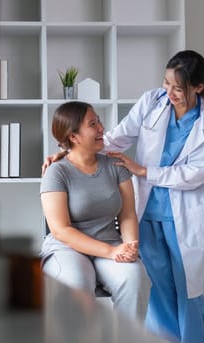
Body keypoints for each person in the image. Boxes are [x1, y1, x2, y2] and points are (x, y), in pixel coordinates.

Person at [44, 50, 204, 343]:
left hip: (183, 211)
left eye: (177, 88)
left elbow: (198, 172)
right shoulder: (152, 101)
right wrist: (67, 151)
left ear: (198, 88)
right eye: (165, 83)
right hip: (147, 210)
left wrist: (143, 170)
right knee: (159, 286)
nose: (168, 92)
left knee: (188, 289)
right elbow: (115, 139)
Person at [39, 101, 151, 322]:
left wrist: (129, 246)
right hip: (67, 249)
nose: (102, 128)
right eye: (93, 124)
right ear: (74, 137)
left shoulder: (115, 165)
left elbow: (127, 214)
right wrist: (111, 252)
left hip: (111, 244)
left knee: (135, 279)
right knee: (75, 286)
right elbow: (61, 230)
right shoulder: (56, 172)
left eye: (99, 121)